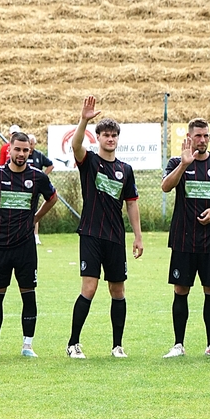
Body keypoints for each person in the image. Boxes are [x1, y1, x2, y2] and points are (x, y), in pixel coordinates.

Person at [65, 97, 144, 359]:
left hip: (115, 237)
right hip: (91, 234)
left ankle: (117, 346)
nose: (110, 139)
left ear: (117, 139)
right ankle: (73, 344)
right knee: (89, 288)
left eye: (113, 135)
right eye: (106, 135)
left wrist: (138, 237)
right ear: (98, 137)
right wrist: (84, 119)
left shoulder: (125, 170)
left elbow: (131, 204)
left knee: (117, 291)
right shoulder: (89, 161)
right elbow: (75, 144)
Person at [0, 131, 58, 358]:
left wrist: (36, 218)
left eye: (25, 150)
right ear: (9, 149)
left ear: (30, 151)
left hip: (25, 247)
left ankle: (27, 346)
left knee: (28, 294)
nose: (21, 153)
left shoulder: (38, 177)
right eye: (17, 149)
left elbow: (52, 198)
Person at [160, 118, 210, 359]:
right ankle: (178, 345)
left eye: (206, 136)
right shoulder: (176, 162)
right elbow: (165, 187)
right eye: (198, 136)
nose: (202, 140)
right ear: (189, 137)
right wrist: (184, 165)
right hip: (183, 239)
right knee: (181, 289)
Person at [27, 134, 54, 245]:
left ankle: (36, 235)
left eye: (32, 144)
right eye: (29, 143)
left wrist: (43, 176)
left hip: (35, 188)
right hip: (21, 187)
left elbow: (51, 165)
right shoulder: (21, 155)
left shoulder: (39, 155)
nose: (30, 146)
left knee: (34, 210)